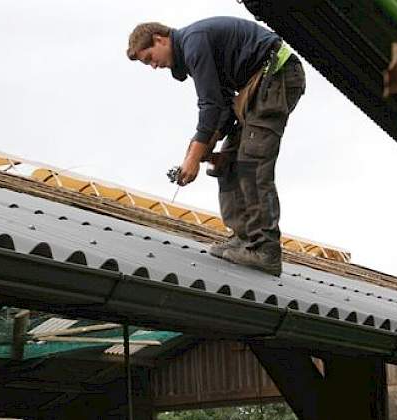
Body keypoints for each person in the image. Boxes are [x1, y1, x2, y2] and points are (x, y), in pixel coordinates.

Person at [127, 16, 305, 276]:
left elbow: (209, 105)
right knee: (228, 162)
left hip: (276, 77)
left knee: (252, 162)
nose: (153, 66)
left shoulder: (193, 42)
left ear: (159, 39)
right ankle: (244, 238)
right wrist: (202, 149)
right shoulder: (194, 49)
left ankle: (264, 250)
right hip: (255, 86)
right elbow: (222, 106)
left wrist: (194, 158)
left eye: (149, 58)